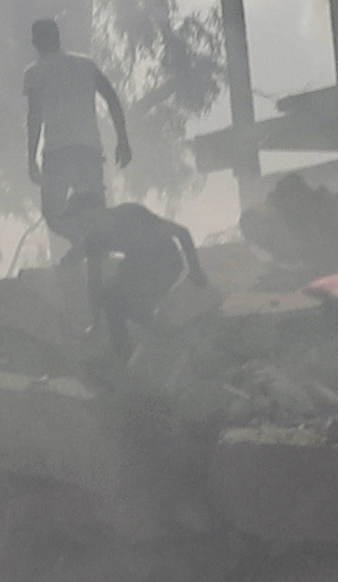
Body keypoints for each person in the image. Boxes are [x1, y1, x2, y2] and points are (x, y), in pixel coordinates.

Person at [23, 18, 130, 241]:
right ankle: (90, 247)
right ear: (58, 38)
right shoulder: (85, 64)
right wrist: (123, 139)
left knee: (53, 215)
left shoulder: (34, 73)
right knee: (95, 214)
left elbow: (34, 118)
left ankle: (85, 243)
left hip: (57, 152)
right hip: (87, 149)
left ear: (35, 42)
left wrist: (31, 158)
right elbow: (111, 97)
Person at [70, 201, 205, 356]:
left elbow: (182, 232)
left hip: (166, 262)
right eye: (84, 223)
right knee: (109, 296)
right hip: (136, 265)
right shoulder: (93, 240)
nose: (89, 226)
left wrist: (195, 270)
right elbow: (94, 282)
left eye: (90, 219)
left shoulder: (131, 214)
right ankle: (122, 351)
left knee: (130, 299)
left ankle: (165, 333)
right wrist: (96, 322)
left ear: (101, 209)